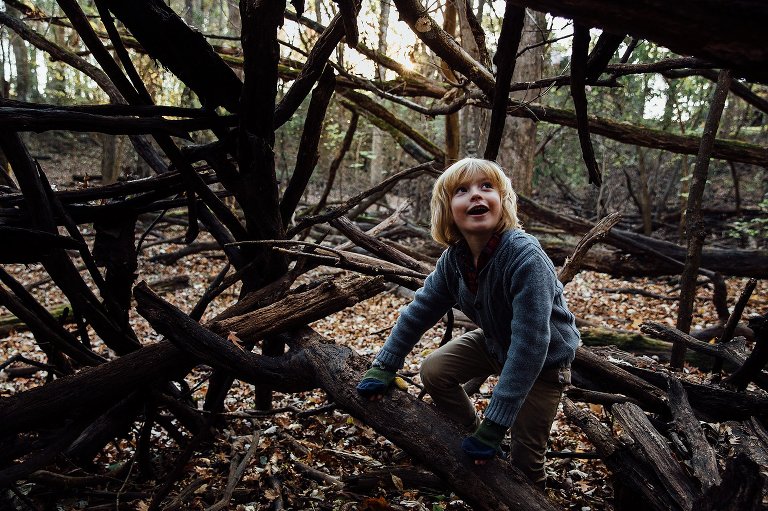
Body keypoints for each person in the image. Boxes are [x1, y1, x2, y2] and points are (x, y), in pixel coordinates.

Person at [356, 157, 580, 487]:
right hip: (495, 341)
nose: (476, 195)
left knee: (526, 463)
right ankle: (473, 432)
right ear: (448, 210)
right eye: (462, 190)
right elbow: (419, 310)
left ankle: (525, 487)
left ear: (502, 201)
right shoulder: (455, 258)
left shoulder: (524, 255)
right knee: (434, 370)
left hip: (545, 361)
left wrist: (497, 422)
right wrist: (385, 364)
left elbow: (531, 343)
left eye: (486, 187)